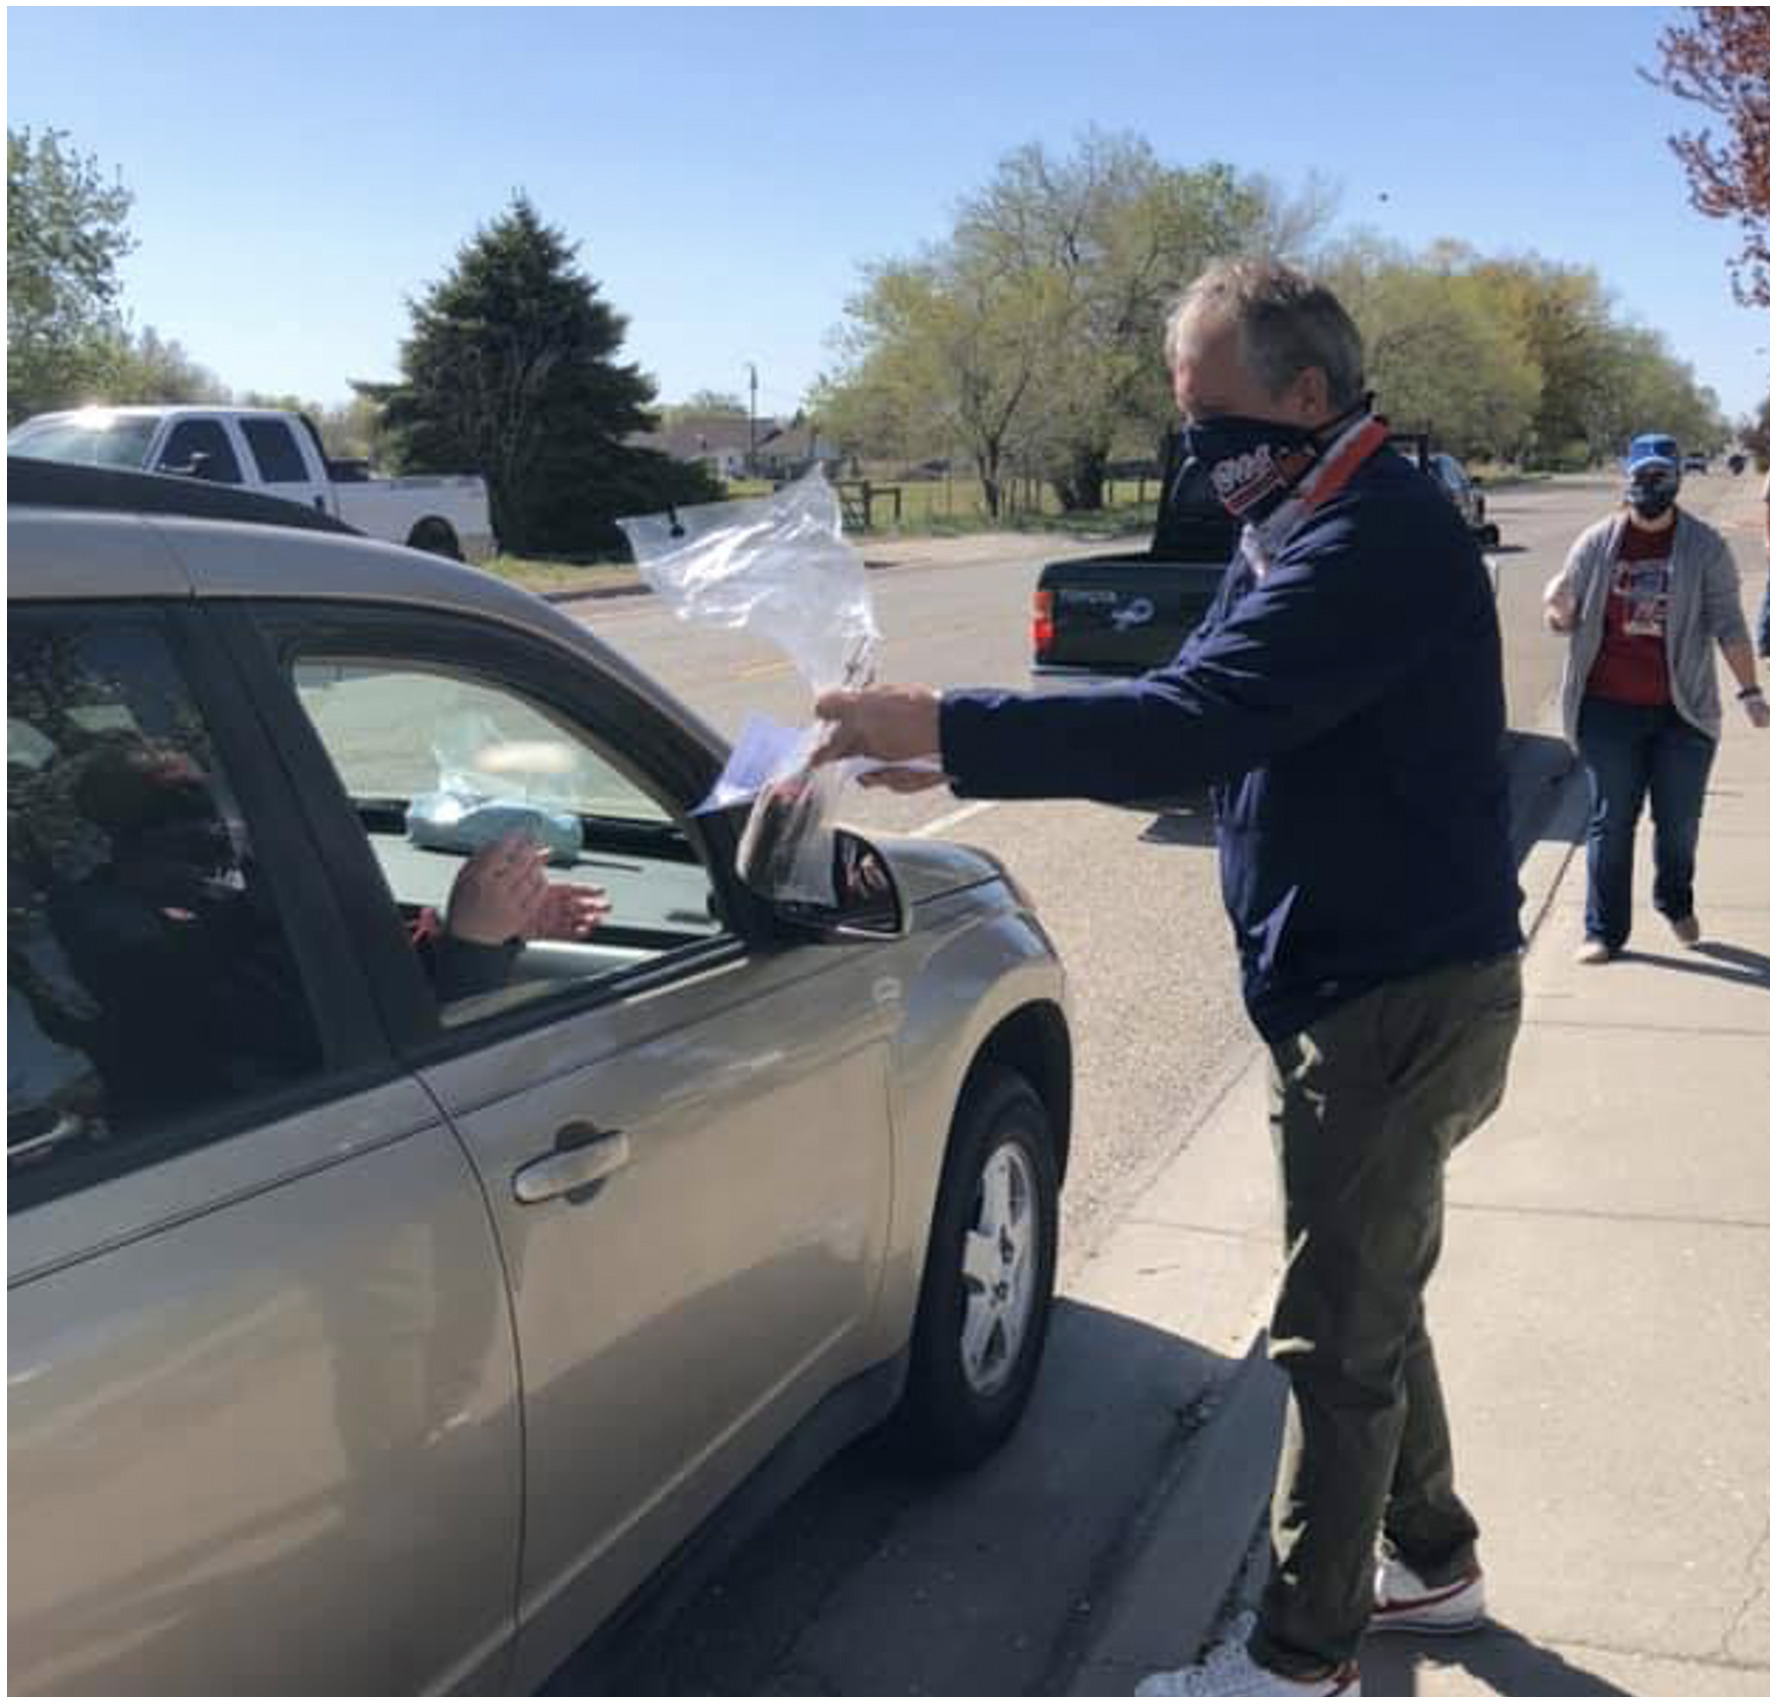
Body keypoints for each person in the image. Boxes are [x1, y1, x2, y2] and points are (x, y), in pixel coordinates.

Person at [813, 258, 1523, 1698]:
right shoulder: (1295, 517)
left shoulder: (1372, 535)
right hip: (1348, 982)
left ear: (1307, 395)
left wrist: (952, 726)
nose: (1188, 445)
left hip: (1390, 992)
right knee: (1368, 1284)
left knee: (1330, 1330)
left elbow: (1188, 725)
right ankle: (1428, 1561)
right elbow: (1173, 707)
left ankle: (1298, 1655)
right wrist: (945, 745)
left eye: (1208, 414)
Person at [45, 737, 610, 1126]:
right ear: (119, 834)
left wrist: (495, 925)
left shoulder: (246, 888)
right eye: (172, 810)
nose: (211, 825)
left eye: (209, 799)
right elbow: (373, 1044)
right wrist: (474, 950)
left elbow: (346, 966)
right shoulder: (115, 937)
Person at [1544, 442, 1767, 964]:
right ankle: (1603, 931)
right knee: (1611, 818)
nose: (1650, 486)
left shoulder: (1704, 546)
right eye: (1642, 475)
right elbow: (1565, 614)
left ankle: (1673, 900)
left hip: (1681, 711)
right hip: (1606, 708)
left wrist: (1750, 691)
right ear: (1626, 478)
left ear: (1674, 483)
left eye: (1660, 476)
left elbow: (1729, 623)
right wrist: (1557, 611)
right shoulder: (1597, 543)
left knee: (1679, 821)